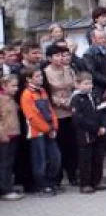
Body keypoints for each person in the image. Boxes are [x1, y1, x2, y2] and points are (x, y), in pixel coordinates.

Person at [20, 67, 61, 196]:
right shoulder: (26, 94)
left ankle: (50, 181)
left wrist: (54, 126)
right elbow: (32, 116)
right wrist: (48, 128)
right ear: (29, 79)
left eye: (41, 76)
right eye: (37, 76)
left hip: (49, 130)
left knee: (56, 158)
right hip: (36, 132)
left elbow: (50, 110)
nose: (41, 78)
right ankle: (42, 185)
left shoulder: (42, 91)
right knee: (40, 160)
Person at [43, 45, 78, 187]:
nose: (60, 58)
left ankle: (72, 175)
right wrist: (62, 102)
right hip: (57, 112)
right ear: (50, 58)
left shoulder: (69, 69)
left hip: (72, 110)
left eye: (62, 55)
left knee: (73, 145)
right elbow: (46, 93)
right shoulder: (46, 72)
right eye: (56, 56)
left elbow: (75, 86)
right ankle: (57, 178)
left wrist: (74, 101)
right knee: (59, 146)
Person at [70, 72, 106, 194]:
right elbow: (78, 118)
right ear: (77, 84)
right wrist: (94, 127)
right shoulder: (76, 99)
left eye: (90, 83)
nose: (89, 86)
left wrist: (103, 125)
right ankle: (85, 183)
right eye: (85, 83)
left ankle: (96, 181)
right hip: (85, 133)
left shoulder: (95, 95)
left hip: (98, 131)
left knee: (98, 157)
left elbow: (102, 111)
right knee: (86, 159)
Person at [0, 75, 24, 201]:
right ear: (4, 86)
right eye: (13, 86)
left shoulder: (11, 99)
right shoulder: (2, 99)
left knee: (10, 163)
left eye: (16, 85)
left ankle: (9, 185)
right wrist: (2, 134)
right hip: (5, 136)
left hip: (14, 133)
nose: (16, 88)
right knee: (4, 163)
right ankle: (5, 189)